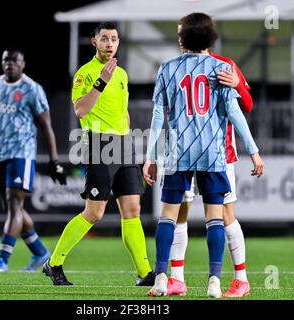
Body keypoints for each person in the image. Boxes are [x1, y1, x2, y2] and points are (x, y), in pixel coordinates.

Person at [143, 12, 264, 298]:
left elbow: (158, 115)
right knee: (215, 218)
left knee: (168, 218)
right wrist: (255, 151)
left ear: (183, 38)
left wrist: (150, 156)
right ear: (211, 37)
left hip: (177, 154)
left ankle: (162, 278)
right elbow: (237, 113)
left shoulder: (167, 69)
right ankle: (213, 281)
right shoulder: (221, 69)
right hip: (213, 154)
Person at [42, 22, 155, 286]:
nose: (109, 43)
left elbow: (123, 112)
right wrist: (101, 82)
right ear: (95, 42)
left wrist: (130, 142)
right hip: (98, 145)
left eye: (114, 39)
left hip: (124, 145)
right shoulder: (86, 73)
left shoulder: (123, 74)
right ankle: (54, 262)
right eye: (104, 39)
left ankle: (144, 273)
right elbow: (81, 110)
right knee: (94, 213)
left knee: (133, 209)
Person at [168, 22, 255, 297]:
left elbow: (247, 105)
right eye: (179, 32)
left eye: (184, 32)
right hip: (183, 153)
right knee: (179, 209)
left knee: (225, 215)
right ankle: (177, 279)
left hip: (218, 153)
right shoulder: (174, 67)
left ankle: (241, 279)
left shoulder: (224, 64)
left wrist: (238, 84)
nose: (180, 37)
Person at [0, 48, 66, 273]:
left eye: (14, 60)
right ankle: (40, 253)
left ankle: (2, 259)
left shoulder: (32, 89)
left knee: (14, 204)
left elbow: (46, 126)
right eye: (5, 60)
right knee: (12, 208)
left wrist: (55, 160)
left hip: (23, 153)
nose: (9, 63)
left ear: (23, 63)